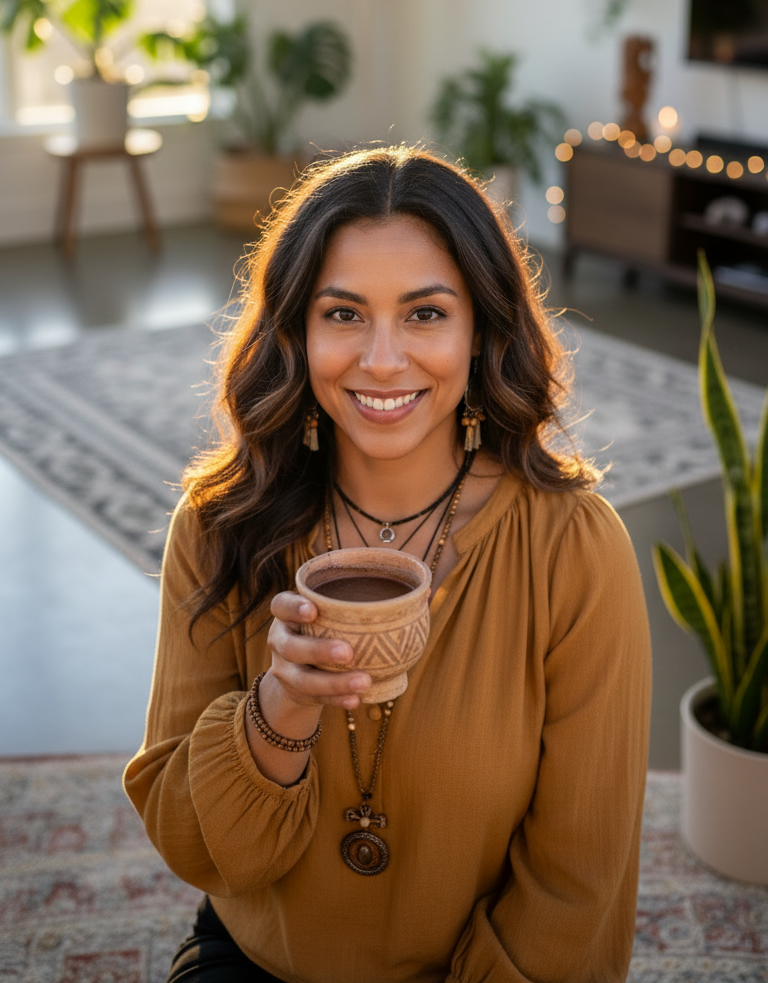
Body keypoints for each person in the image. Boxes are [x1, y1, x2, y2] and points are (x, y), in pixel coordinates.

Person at [124, 145, 651, 983]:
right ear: (296, 331)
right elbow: (194, 846)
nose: (380, 359)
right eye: (342, 314)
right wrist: (279, 711)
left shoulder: (576, 552)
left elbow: (578, 886)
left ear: (482, 331)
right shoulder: (218, 527)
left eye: (425, 314)